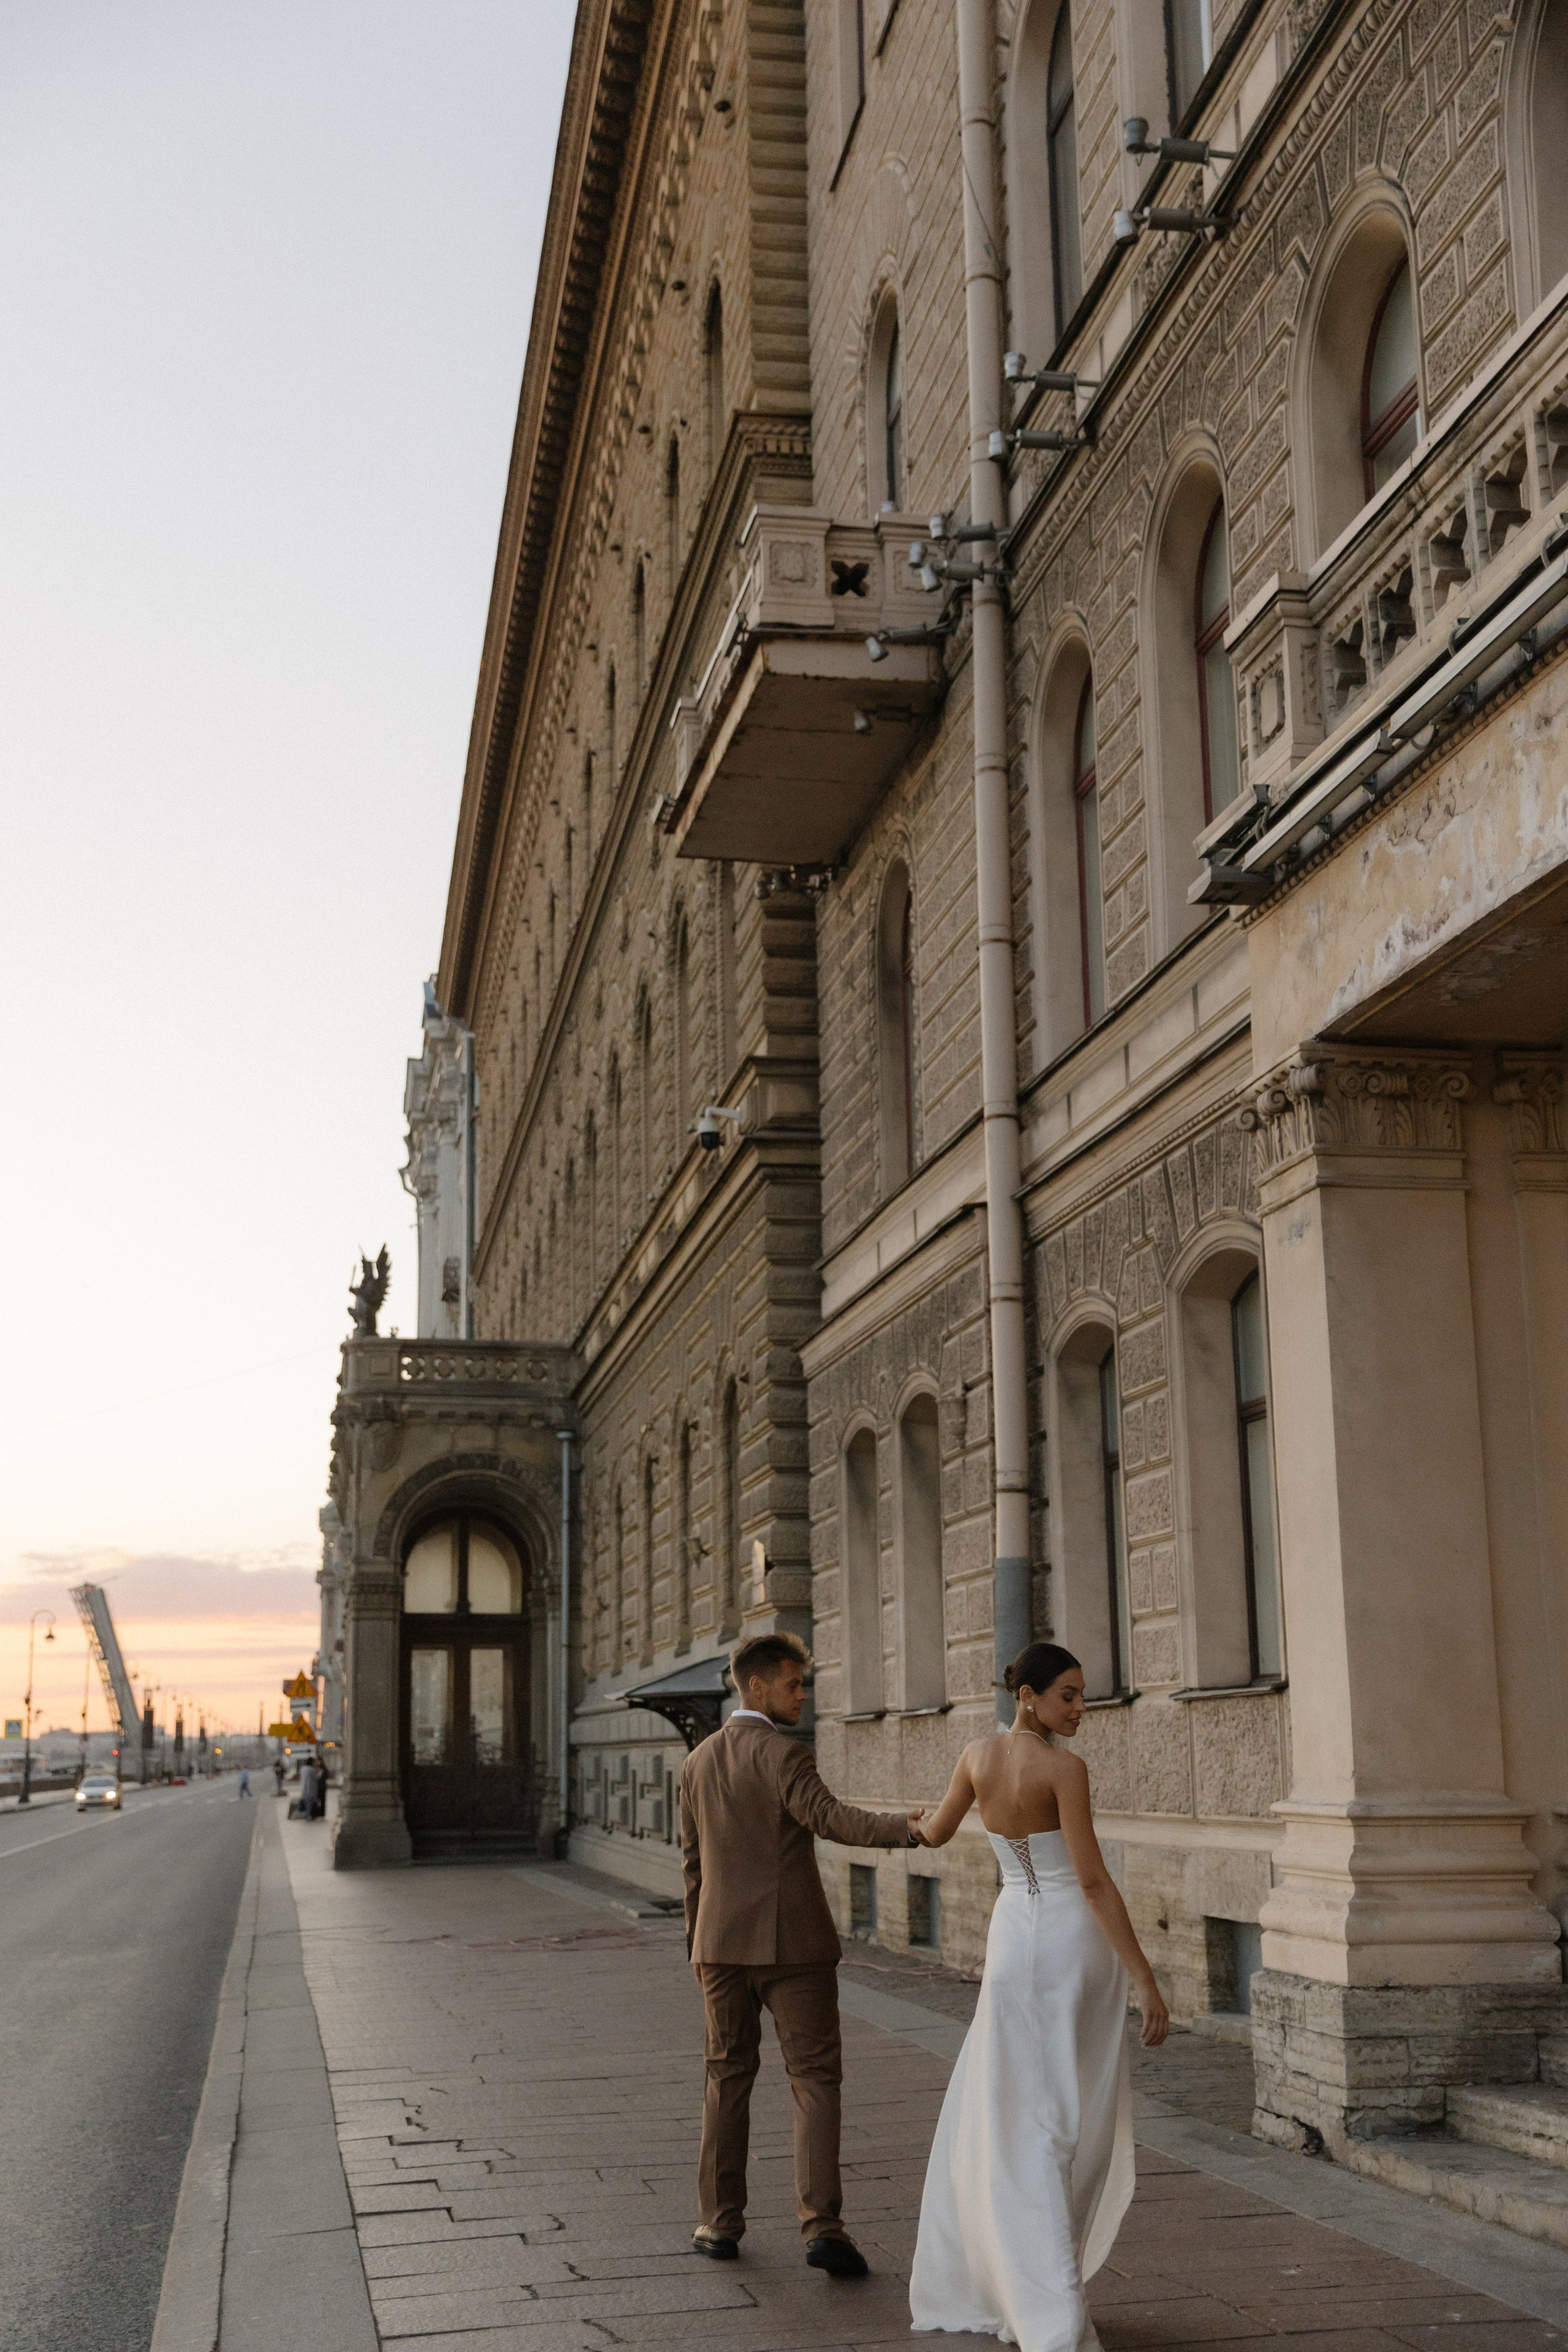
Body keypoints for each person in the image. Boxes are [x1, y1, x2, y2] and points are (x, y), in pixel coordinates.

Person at [908, 1642, 1169, 2352]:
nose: (1080, 1708)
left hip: (1012, 1939)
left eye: (1083, 1695)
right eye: (1068, 1696)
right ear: (1027, 1695)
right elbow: (1090, 1881)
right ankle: (1052, 2304)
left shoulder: (975, 1757)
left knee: (1017, 2113)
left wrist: (902, 1822)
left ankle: (1022, 2283)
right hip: (1069, 1941)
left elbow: (931, 1832)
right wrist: (1144, 1977)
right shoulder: (1063, 1769)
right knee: (1063, 2116)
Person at [680, 1631, 925, 2280]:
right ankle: (822, 2228)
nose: (802, 1694)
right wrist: (907, 1827)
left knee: (725, 2077)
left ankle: (717, 2223)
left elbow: (693, 1865)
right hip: (794, 1950)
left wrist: (696, 1945)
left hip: (719, 1949)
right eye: (793, 1683)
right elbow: (832, 1819)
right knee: (814, 2081)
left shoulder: (698, 1761)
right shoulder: (787, 1755)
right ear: (755, 1685)